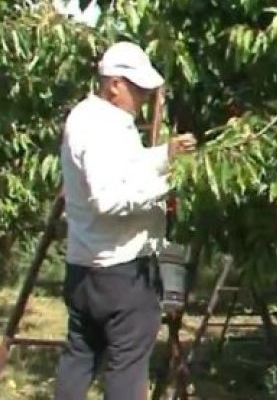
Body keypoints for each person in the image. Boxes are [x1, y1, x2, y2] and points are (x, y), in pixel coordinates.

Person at [53, 41, 197, 400]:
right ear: (114, 83)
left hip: (85, 269)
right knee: (127, 369)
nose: (145, 97)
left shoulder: (89, 117)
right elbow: (110, 197)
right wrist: (170, 185)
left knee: (79, 357)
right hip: (123, 274)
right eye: (138, 89)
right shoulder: (104, 126)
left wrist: (166, 154)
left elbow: (125, 168)